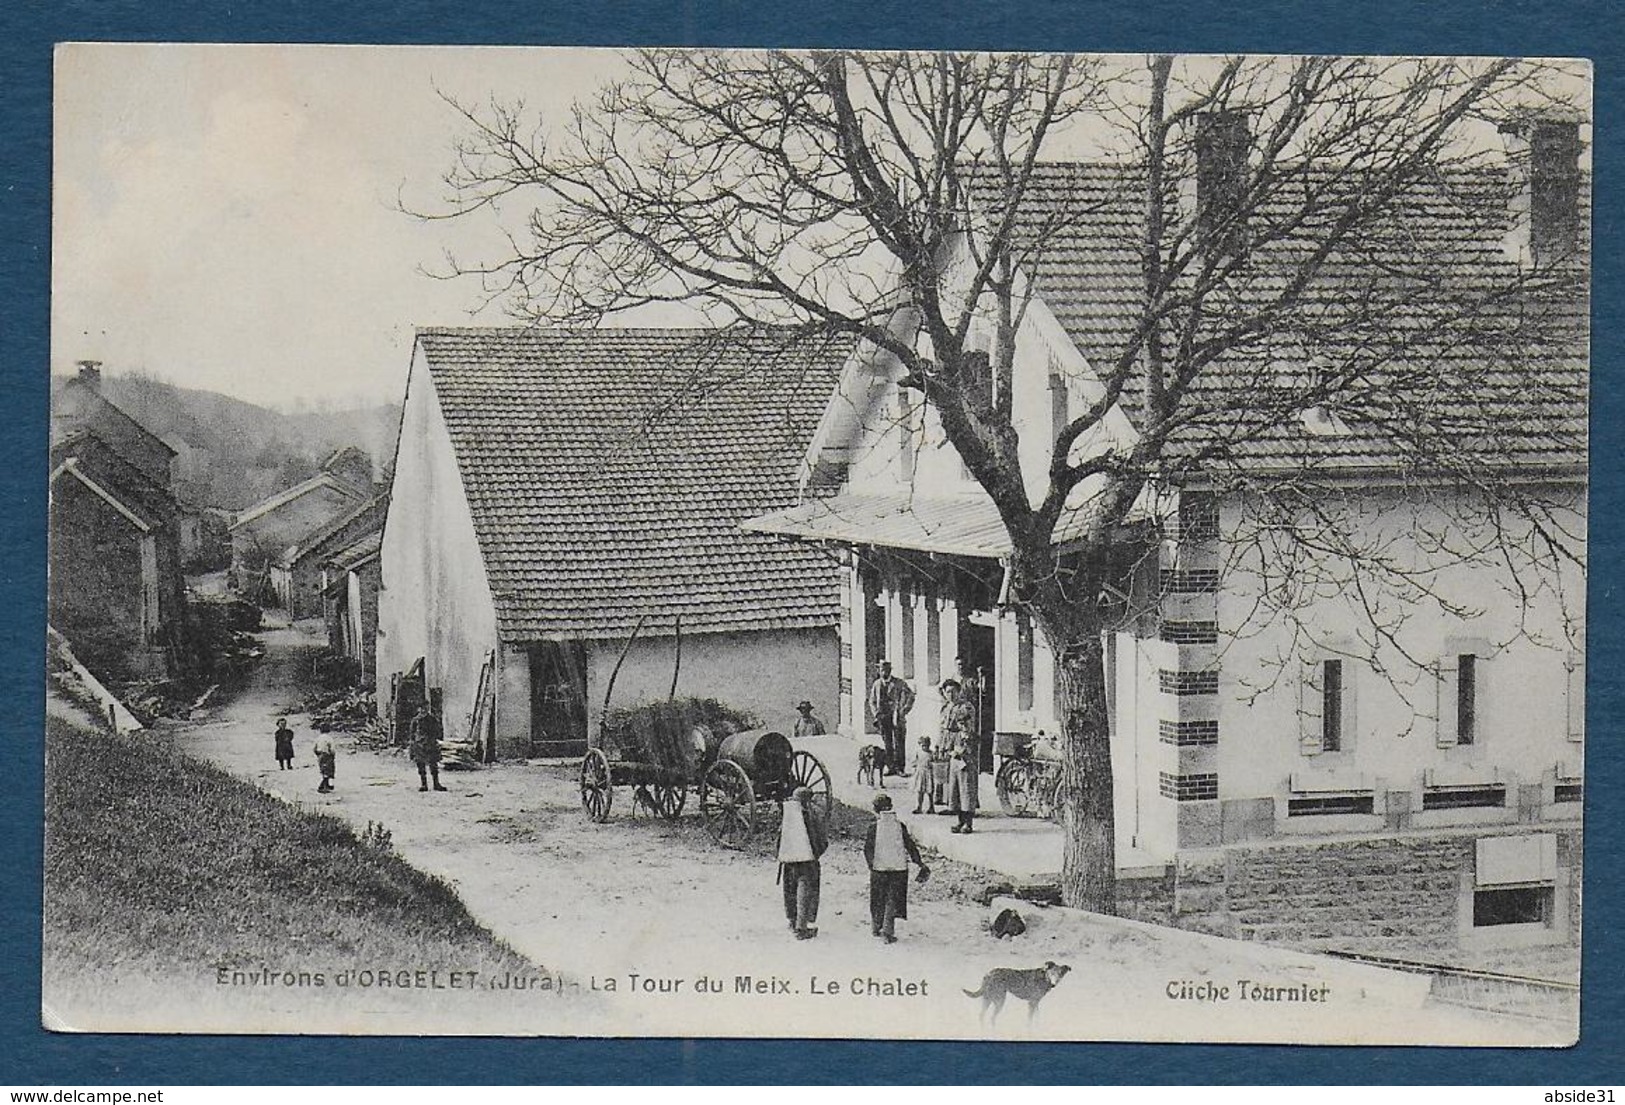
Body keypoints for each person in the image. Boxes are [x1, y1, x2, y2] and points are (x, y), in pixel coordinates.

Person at [864, 794, 930, 943]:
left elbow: (867, 849)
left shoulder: (873, 827)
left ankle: (875, 927)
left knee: (877, 898)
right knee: (892, 899)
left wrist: (871, 865)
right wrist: (919, 862)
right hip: (898, 869)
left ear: (875, 810)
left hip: (878, 869)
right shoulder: (900, 826)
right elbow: (910, 846)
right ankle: (888, 932)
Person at [776, 786, 828, 939]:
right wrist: (816, 854)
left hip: (788, 861)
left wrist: (782, 855)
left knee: (789, 890)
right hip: (807, 861)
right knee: (805, 891)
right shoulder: (811, 816)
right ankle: (802, 928)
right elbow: (821, 839)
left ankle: (792, 921)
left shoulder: (788, 816)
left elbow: (779, 839)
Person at [940, 678, 979, 834]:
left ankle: (968, 823)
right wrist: (942, 746)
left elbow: (968, 730)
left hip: (964, 749)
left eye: (953, 691)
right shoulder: (945, 708)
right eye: (947, 691)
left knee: (966, 787)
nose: (950, 694)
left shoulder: (965, 707)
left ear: (959, 691)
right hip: (951, 749)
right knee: (954, 787)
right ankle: (959, 821)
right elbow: (943, 729)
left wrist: (961, 749)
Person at [867, 660, 916, 777]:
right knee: (887, 742)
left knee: (899, 742)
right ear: (879, 671)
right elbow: (872, 701)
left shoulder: (899, 683)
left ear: (890, 671)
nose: (884, 672)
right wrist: (876, 714)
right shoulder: (877, 684)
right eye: (882, 670)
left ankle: (900, 768)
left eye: (886, 670)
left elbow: (911, 696)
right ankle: (890, 767)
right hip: (883, 717)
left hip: (896, 717)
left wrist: (904, 710)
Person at [409, 703, 448, 792]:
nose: (424, 710)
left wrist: (436, 739)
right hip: (419, 745)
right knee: (421, 765)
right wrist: (412, 746)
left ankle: (436, 784)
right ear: (419, 709)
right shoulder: (415, 721)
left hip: (431, 744)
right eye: (422, 708)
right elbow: (412, 734)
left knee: (433, 764)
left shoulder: (432, 719)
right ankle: (424, 784)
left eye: (426, 708)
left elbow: (438, 730)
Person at [911, 735, 937, 815]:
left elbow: (935, 761)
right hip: (920, 773)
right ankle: (919, 807)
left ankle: (931, 807)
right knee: (920, 791)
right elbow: (914, 761)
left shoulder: (931, 753)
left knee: (930, 792)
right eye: (923, 745)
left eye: (927, 745)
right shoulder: (918, 752)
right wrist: (915, 765)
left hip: (928, 773)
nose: (925, 747)